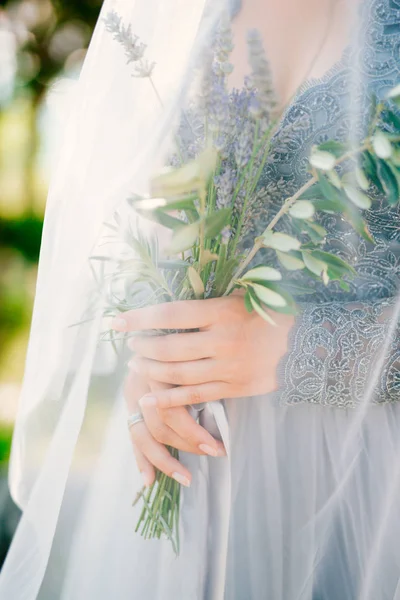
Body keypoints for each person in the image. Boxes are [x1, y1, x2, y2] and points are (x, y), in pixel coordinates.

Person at [0, 0, 399, 598]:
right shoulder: (204, 16)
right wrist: (156, 361)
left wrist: (305, 346)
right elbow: (164, 229)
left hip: (372, 478)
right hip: (204, 469)